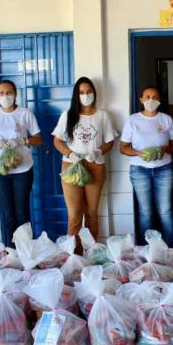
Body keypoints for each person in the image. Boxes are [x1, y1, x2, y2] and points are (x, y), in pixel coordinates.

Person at [52, 77, 117, 251]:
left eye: (89, 92)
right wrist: (70, 154)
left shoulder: (102, 115)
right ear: (76, 95)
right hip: (72, 166)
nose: (86, 95)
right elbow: (57, 141)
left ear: (94, 93)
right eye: (82, 92)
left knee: (92, 213)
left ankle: (92, 251)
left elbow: (110, 141)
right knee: (74, 214)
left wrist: (98, 152)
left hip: (95, 165)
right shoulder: (68, 115)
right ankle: (74, 253)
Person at [0, 80, 42, 247]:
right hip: (0, 170)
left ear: (15, 94)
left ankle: (26, 250)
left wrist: (23, 140)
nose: (5, 96)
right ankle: (10, 251)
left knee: (22, 212)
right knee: (8, 213)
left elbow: (38, 139)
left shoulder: (25, 114)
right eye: (1, 93)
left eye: (9, 92)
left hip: (23, 170)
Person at [120, 86, 173, 247]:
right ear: (141, 100)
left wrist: (165, 149)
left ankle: (172, 249)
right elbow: (123, 148)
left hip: (164, 170)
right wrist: (139, 153)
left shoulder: (166, 119)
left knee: (165, 211)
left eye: (155, 97)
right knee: (145, 213)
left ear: (159, 100)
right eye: (147, 97)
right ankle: (145, 250)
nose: (151, 100)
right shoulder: (132, 120)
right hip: (139, 171)